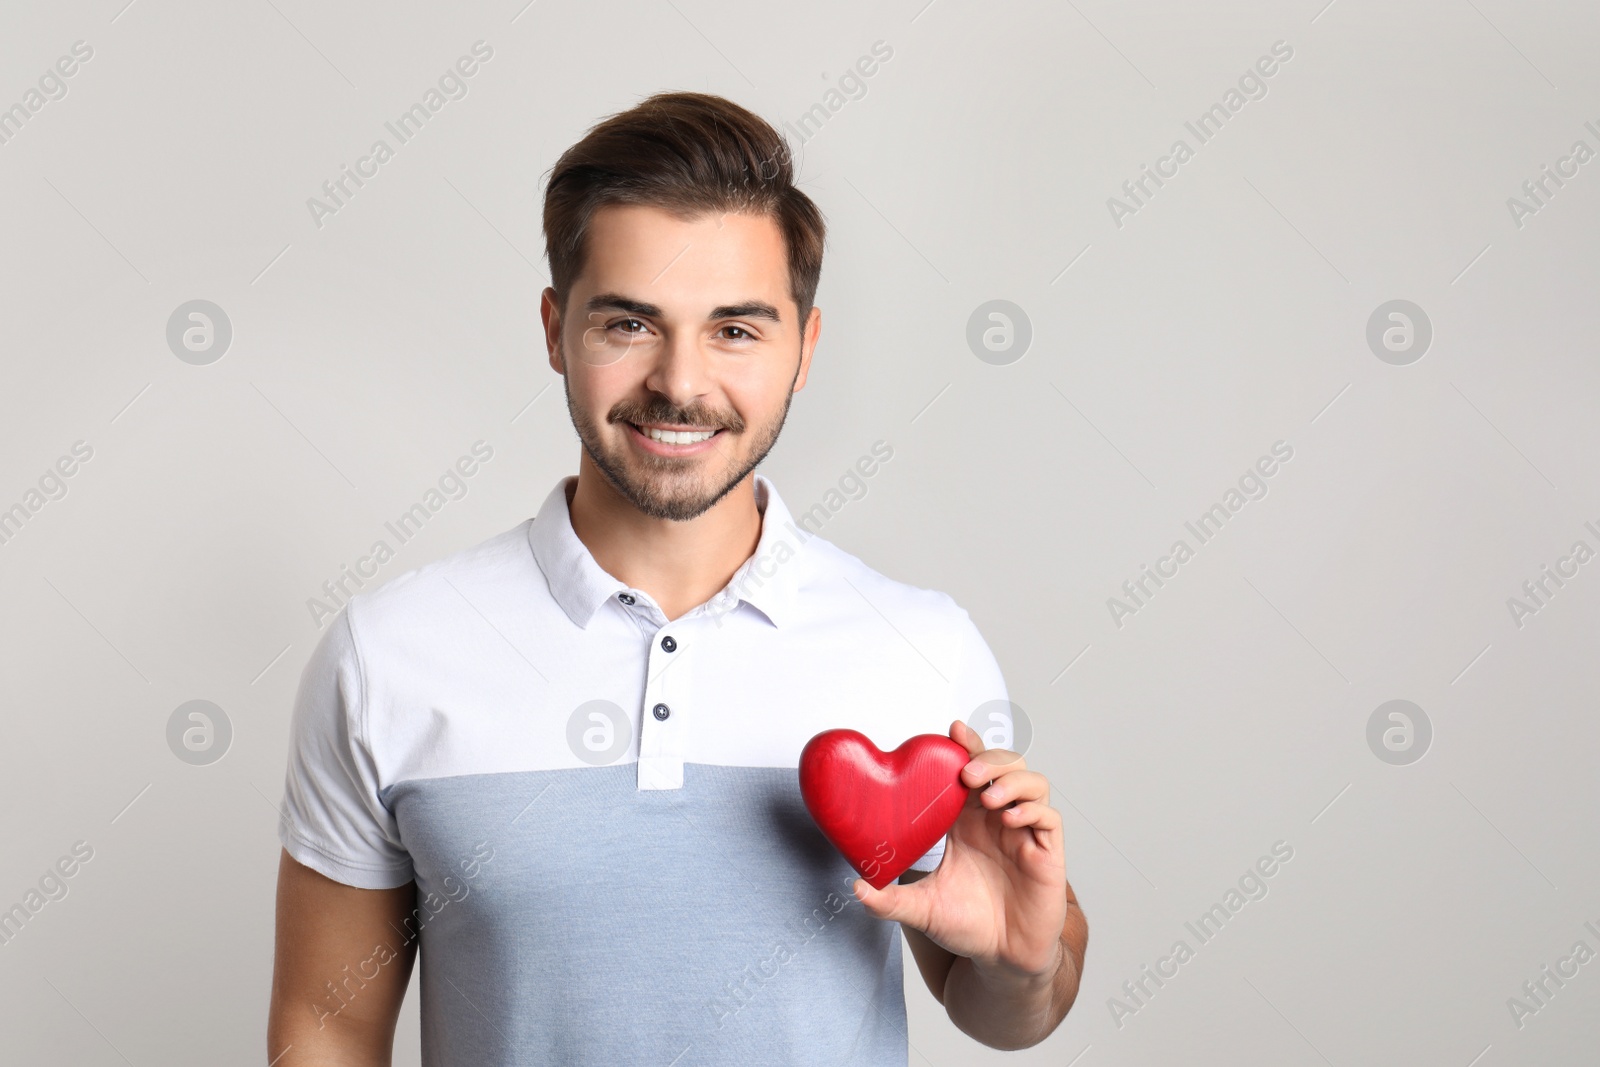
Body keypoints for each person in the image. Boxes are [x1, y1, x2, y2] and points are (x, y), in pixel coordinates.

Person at [267, 90, 1086, 1065]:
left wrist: (1021, 963)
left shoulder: (922, 646)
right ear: (554, 328)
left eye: (735, 330)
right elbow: (326, 1025)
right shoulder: (388, 653)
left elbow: (1004, 1009)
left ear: (804, 349)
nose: (680, 382)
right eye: (628, 323)